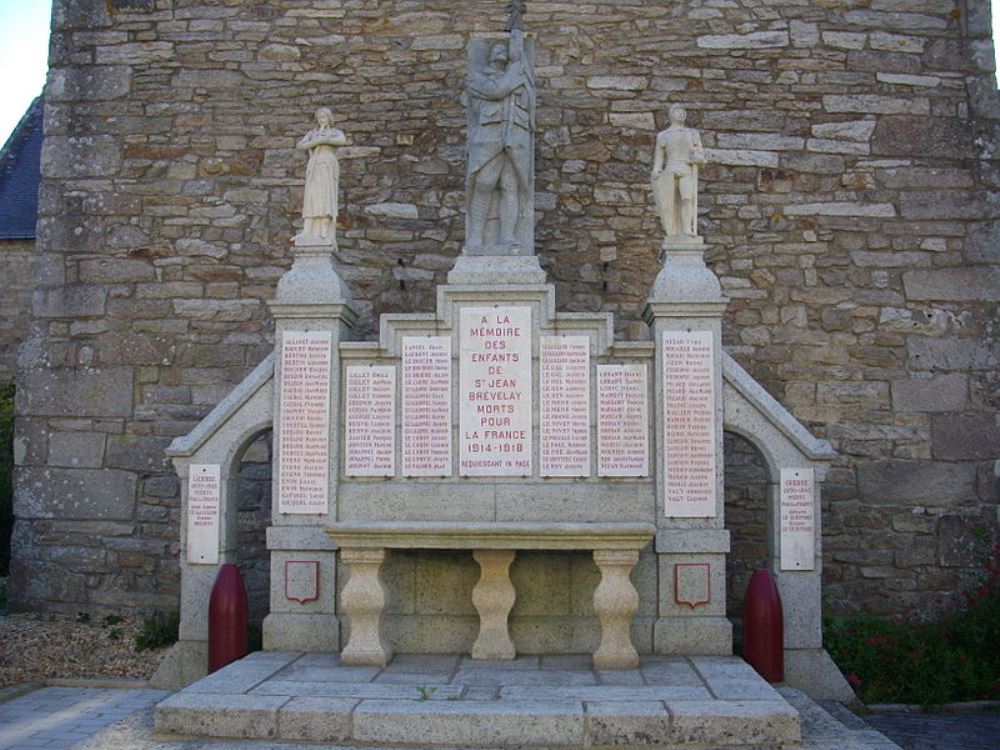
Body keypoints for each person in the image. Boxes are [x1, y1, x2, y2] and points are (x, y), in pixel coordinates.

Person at [466, 30, 535, 250]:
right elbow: (495, 91)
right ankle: (476, 237)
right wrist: (516, 75)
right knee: (484, 183)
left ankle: (508, 238)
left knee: (510, 186)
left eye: (505, 49)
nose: (502, 51)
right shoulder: (477, 77)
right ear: (488, 56)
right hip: (489, 137)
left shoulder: (520, 80)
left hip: (514, 137)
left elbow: (530, 105)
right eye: (497, 48)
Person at [651, 104, 705, 239]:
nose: (681, 114)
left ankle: (686, 228)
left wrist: (698, 158)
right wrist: (656, 169)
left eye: (683, 111)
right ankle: (673, 230)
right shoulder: (664, 135)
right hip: (670, 170)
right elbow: (659, 156)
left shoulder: (692, 134)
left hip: (686, 169)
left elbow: (701, 155)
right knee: (671, 202)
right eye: (678, 111)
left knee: (687, 198)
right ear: (671, 115)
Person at [297, 107, 347, 242]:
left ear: (330, 119)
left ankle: (324, 228)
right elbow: (300, 145)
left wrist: (323, 140)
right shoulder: (313, 133)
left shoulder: (335, 132)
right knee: (312, 196)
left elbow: (342, 141)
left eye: (324, 117)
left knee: (325, 196)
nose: (321, 120)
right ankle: (307, 230)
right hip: (314, 165)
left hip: (327, 164)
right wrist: (315, 141)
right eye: (319, 118)